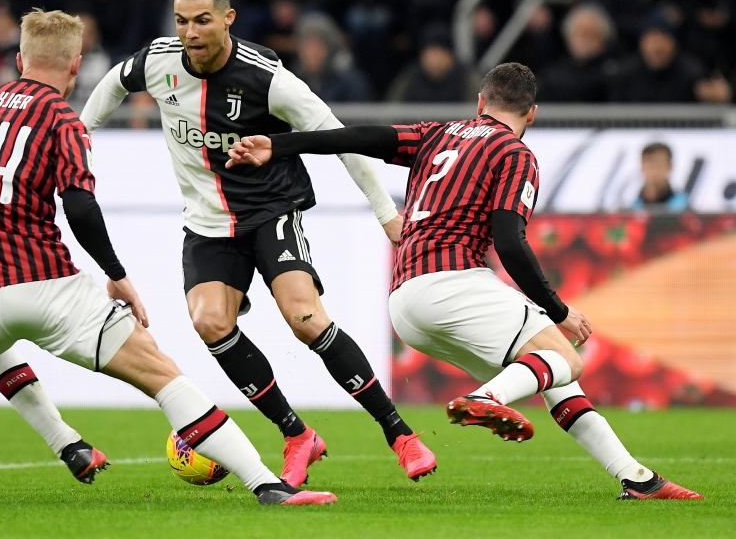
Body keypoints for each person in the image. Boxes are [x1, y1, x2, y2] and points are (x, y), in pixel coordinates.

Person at [0, 9, 334, 507]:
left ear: (19, 60)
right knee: (163, 376)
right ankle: (267, 485)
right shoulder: (63, 121)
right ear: (75, 69)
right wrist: (117, 277)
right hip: (43, 287)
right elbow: (80, 207)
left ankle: (66, 442)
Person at [226, 62, 703, 501]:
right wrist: (559, 311)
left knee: (552, 377)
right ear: (531, 114)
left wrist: (279, 145)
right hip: (453, 280)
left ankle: (635, 477)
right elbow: (510, 244)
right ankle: (484, 398)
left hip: (404, 303)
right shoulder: (515, 154)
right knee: (564, 358)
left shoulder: (437, 134)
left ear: (481, 101)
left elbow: (358, 137)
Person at [81, 0, 437, 487]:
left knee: (304, 317)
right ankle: (296, 435)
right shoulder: (158, 63)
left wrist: (387, 214)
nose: (189, 33)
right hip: (207, 223)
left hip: (271, 210)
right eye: (181, 21)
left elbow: (340, 136)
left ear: (228, 18)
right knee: (209, 322)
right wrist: (80, 134)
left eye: (201, 20)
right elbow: (113, 82)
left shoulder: (269, 78)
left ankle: (399, 433)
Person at [536, 4, 616, 103]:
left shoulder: (615, 75)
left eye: (592, 34)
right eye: (582, 34)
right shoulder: (552, 77)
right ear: (569, 38)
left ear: (603, 39)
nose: (586, 41)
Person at [291, 12, 373, 102]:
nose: (311, 52)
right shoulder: (295, 79)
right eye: (306, 46)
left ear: (330, 48)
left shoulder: (350, 82)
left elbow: (361, 113)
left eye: (317, 45)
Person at [386, 21, 476, 103]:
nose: (435, 59)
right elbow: (391, 111)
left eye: (440, 52)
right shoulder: (410, 78)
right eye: (430, 52)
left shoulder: (466, 78)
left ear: (450, 56)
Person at [632, 142, 689, 211]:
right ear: (642, 167)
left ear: (670, 167)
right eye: (651, 166)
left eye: (659, 166)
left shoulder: (683, 208)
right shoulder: (632, 207)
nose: (655, 171)